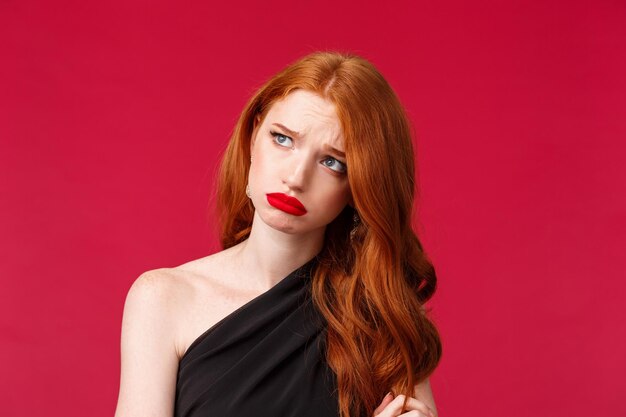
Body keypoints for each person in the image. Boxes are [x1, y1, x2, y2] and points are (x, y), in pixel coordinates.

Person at [114, 51, 442, 417]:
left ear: (358, 187)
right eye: (283, 139)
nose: (296, 178)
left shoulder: (383, 313)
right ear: (254, 135)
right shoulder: (162, 299)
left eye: (332, 162)